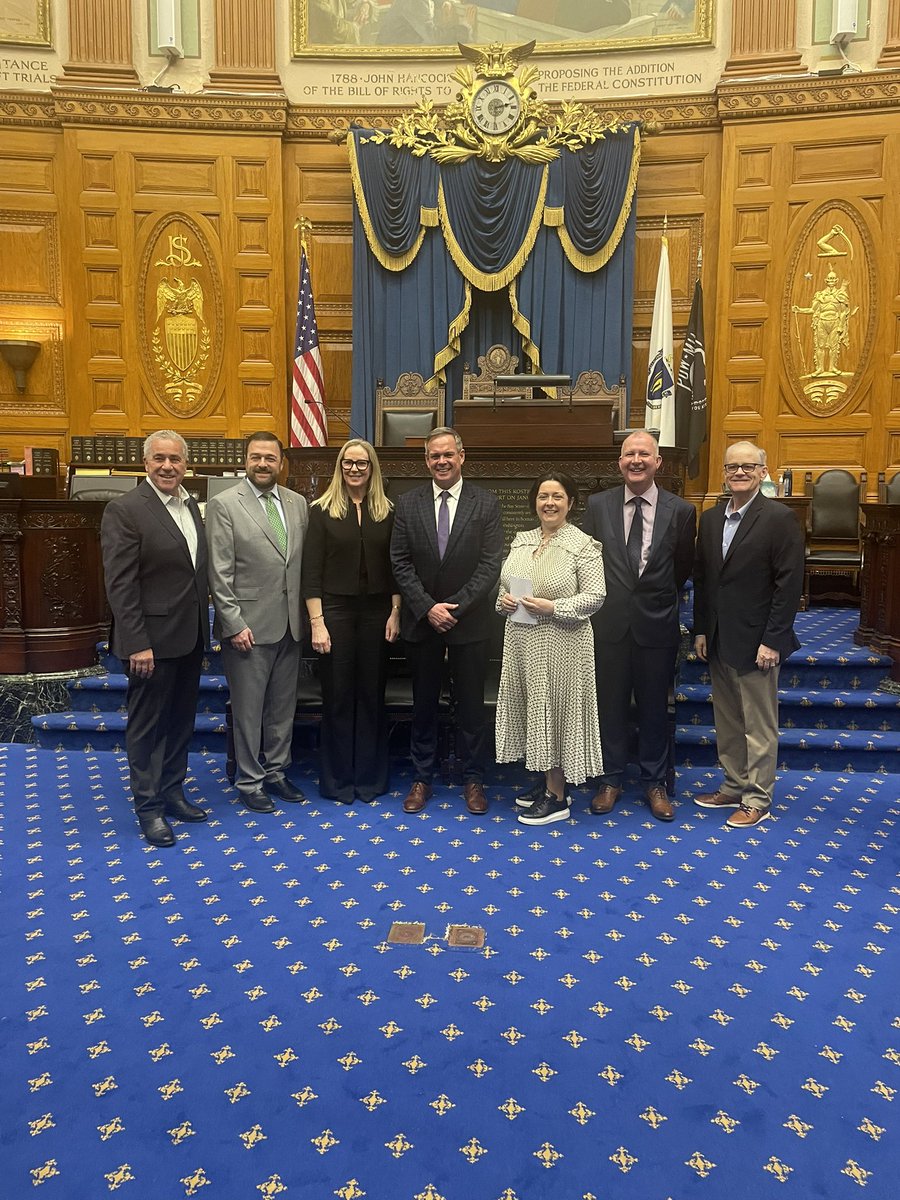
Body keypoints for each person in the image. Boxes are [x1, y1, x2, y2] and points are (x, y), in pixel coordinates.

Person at [100, 430, 209, 847]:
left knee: (180, 721)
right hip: (150, 642)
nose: (167, 466)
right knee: (147, 727)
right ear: (145, 463)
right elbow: (121, 585)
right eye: (159, 458)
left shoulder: (191, 505)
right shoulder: (125, 509)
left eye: (175, 459)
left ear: (186, 464)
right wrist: (136, 643)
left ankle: (173, 791)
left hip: (189, 635)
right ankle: (149, 807)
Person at [582, 431, 695, 821]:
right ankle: (610, 779)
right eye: (629, 454)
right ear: (620, 462)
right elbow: (588, 562)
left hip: (656, 625)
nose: (636, 460)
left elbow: (682, 568)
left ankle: (654, 782)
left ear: (657, 462)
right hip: (609, 625)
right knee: (610, 706)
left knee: (653, 709)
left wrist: (655, 598)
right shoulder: (598, 505)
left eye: (644, 454)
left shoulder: (681, 511)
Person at [390, 426, 503, 815]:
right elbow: (400, 562)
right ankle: (422, 777)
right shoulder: (407, 503)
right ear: (426, 460)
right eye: (434, 456)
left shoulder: (485, 503)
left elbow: (490, 564)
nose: (442, 461)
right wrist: (428, 608)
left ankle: (474, 778)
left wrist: (455, 607)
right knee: (423, 705)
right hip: (422, 623)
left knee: (471, 707)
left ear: (461, 456)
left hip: (469, 624)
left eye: (448, 454)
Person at [692, 441, 805, 828]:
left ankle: (757, 797)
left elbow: (788, 585)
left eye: (747, 466)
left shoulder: (779, 518)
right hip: (719, 638)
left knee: (758, 725)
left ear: (762, 471)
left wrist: (773, 640)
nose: (739, 472)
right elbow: (705, 580)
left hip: (759, 641)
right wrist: (701, 629)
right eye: (732, 467)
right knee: (727, 720)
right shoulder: (710, 519)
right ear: (723, 473)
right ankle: (734, 784)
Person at [206, 432, 309, 814]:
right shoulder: (224, 504)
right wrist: (233, 623)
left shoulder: (298, 503)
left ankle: (277, 771)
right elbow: (219, 572)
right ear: (245, 461)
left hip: (290, 624)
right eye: (255, 457)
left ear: (281, 463)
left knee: (282, 708)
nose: (263, 464)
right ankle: (249, 780)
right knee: (249, 711)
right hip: (247, 627)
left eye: (270, 458)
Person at [496, 473, 606, 826]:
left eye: (557, 496)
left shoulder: (583, 545)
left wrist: (553, 607)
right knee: (535, 709)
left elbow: (596, 596)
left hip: (563, 643)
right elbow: (504, 587)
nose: (549, 503)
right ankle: (548, 781)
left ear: (570, 503)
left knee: (556, 712)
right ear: (535, 502)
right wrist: (504, 601)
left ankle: (557, 797)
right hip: (522, 641)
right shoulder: (522, 540)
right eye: (543, 496)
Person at [303, 438, 401, 804]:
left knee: (372, 696)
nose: (355, 469)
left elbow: (396, 568)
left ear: (372, 468)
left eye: (362, 463)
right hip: (335, 612)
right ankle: (339, 781)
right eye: (348, 463)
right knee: (339, 696)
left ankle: (370, 779)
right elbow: (310, 571)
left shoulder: (387, 511)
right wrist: (317, 622)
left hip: (377, 612)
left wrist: (395, 611)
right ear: (339, 467)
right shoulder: (321, 510)